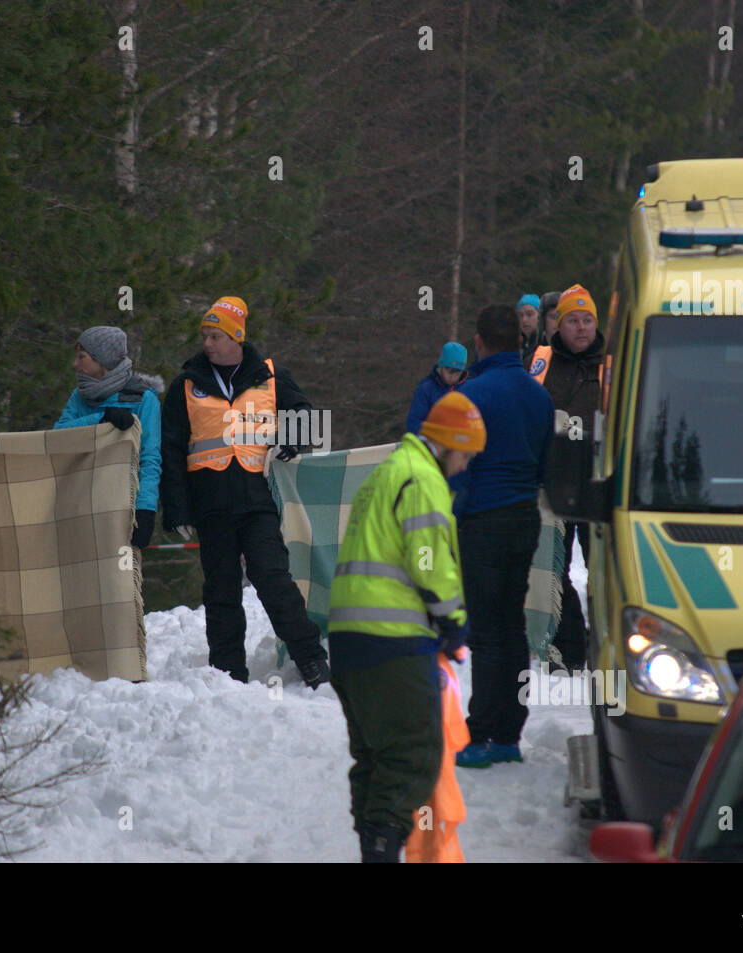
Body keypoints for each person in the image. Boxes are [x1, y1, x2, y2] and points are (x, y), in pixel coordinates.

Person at [329, 391, 484, 862]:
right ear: (448, 445)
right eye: (466, 456)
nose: (464, 467)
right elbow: (429, 562)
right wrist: (454, 620)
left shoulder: (387, 472)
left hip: (349, 640)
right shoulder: (422, 479)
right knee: (413, 753)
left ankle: (373, 848)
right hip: (391, 641)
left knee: (376, 755)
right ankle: (383, 852)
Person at [160, 296, 331, 688]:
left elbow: (305, 416)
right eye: (204, 335)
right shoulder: (186, 384)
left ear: (236, 337)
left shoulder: (270, 375)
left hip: (258, 501)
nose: (207, 343)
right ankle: (227, 672)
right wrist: (178, 509)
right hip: (211, 504)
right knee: (220, 589)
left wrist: (291, 440)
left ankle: (310, 657)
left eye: (215, 335)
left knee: (272, 578)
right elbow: (170, 449)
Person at [453, 303, 555, 767]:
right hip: (524, 518)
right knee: (512, 626)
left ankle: (478, 736)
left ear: (479, 341)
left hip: (482, 522)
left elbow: (456, 470)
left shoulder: (470, 395)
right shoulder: (539, 397)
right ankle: (510, 734)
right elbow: (547, 465)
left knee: (487, 633)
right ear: (519, 340)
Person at [528, 283, 605, 672]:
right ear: (557, 325)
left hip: (596, 483)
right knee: (553, 568)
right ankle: (569, 647)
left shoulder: (612, 364)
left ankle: (608, 643)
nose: (580, 328)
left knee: (603, 568)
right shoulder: (541, 360)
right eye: (572, 320)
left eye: (587, 320)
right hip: (553, 481)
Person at [53, 326, 162, 550]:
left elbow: (150, 458)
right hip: (79, 501)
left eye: (82, 357)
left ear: (102, 359)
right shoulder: (79, 396)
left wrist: (145, 509)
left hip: (124, 506)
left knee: (117, 579)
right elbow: (57, 436)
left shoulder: (143, 399)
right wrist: (102, 420)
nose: (76, 364)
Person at [405, 341, 467, 435]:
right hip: (433, 444)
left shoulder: (467, 389)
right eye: (450, 372)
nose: (453, 377)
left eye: (458, 373)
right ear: (441, 367)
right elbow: (414, 423)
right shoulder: (426, 389)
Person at [517, 294, 544, 367]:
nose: (524, 320)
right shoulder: (517, 347)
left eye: (529, 314)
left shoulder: (546, 346)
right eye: (521, 315)